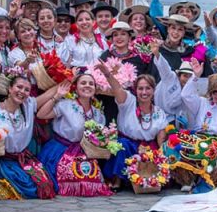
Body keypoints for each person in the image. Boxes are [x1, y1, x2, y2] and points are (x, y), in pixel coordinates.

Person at [0, 74, 57, 199]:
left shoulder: (27, 106)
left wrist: (68, 80)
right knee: (21, 186)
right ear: (10, 89)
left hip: (21, 159)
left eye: (27, 90)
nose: (22, 92)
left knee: (43, 184)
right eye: (19, 87)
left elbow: (48, 95)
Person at [37, 73, 112, 197]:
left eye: (91, 84)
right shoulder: (65, 104)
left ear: (95, 89)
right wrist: (57, 96)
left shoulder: (98, 114)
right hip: (60, 150)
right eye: (83, 83)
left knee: (90, 180)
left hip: (85, 152)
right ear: (76, 88)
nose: (87, 86)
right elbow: (41, 115)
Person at [97, 61, 169, 189]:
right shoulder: (129, 101)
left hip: (148, 149)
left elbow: (161, 139)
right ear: (135, 90)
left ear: (153, 90)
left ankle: (148, 179)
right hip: (128, 146)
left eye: (148, 88)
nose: (144, 92)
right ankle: (118, 179)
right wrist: (107, 74)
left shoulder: (159, 112)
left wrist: (162, 155)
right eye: (140, 88)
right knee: (122, 144)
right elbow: (118, 89)